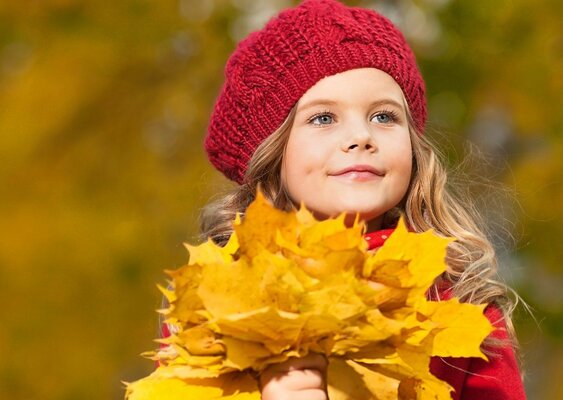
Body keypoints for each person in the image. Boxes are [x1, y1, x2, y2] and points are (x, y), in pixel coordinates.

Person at [166, 0, 527, 398]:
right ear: (272, 154)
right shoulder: (218, 302)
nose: (362, 136)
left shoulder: (457, 302)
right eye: (323, 118)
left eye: (384, 116)